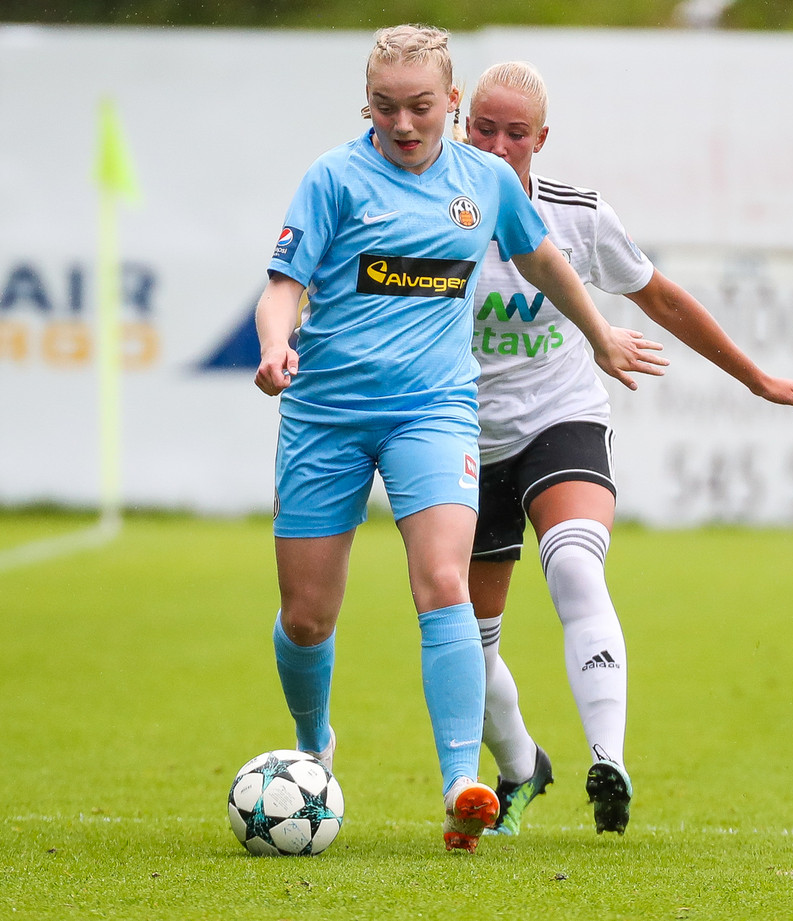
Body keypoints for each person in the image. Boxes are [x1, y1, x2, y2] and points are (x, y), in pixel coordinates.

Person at [253, 28, 667, 853]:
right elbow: (282, 286)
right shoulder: (333, 178)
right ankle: (313, 742)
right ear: (367, 105)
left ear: (450, 102)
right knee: (307, 616)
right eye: (385, 107)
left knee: (444, 582)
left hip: (435, 412)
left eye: (420, 107)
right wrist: (274, 345)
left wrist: (600, 336)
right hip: (327, 414)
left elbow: (545, 263)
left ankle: (460, 783)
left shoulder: (484, 181)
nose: (403, 124)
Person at [464, 61, 793, 837]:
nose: (496, 146)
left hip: (560, 418)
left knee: (573, 563)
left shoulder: (578, 216)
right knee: (467, 639)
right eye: (483, 129)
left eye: (515, 133)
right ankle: (523, 764)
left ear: (541, 139)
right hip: (462, 435)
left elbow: (659, 296)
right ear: (462, 124)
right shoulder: (430, 215)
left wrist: (756, 377)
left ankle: (610, 759)